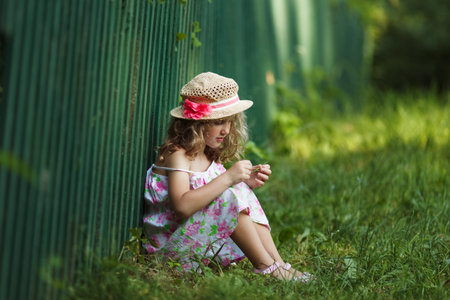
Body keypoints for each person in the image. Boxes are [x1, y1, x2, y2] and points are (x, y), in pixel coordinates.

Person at [143, 72, 312, 282]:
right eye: (219, 122)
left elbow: (215, 191)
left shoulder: (206, 154)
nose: (226, 130)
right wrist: (229, 177)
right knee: (228, 195)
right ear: (196, 123)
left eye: (230, 121)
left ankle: (278, 264)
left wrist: (244, 180)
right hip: (170, 253)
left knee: (238, 189)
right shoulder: (178, 155)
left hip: (198, 241)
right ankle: (266, 267)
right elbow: (182, 206)